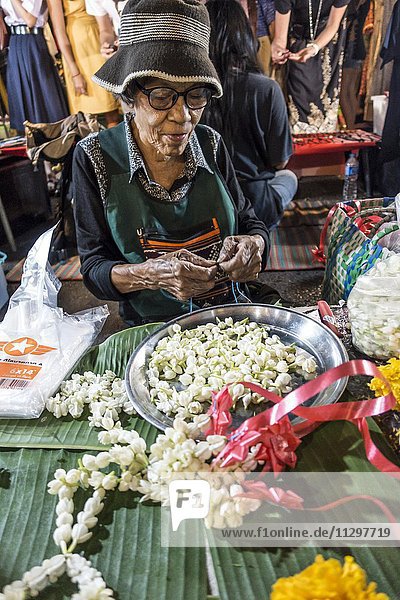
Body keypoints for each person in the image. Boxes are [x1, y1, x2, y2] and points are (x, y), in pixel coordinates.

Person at [73, 0, 270, 325]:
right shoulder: (95, 158)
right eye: (162, 97)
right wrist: (151, 275)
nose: (183, 116)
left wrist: (255, 244)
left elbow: (250, 223)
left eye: (196, 96)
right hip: (154, 331)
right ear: (130, 96)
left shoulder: (210, 143)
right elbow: (95, 270)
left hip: (231, 319)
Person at [203, 0, 296, 230]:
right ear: (244, 34)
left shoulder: (193, 88)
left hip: (205, 204)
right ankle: (260, 235)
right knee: (289, 178)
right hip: (255, 203)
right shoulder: (267, 89)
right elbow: (280, 160)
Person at [272, 0, 350, 133]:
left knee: (326, 98)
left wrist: (314, 47)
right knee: (299, 94)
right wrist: (278, 50)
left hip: (329, 40)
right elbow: (280, 37)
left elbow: (333, 24)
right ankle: (299, 140)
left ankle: (326, 141)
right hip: (298, 38)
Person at [48, 0, 120, 127]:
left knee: (112, 110)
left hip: (100, 38)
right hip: (78, 51)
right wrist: (75, 73)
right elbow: (59, 31)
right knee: (86, 117)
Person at [0, 0, 68, 133]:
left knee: (44, 95)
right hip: (14, 43)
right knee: (21, 96)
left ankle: (56, 140)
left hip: (33, 41)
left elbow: (30, 20)